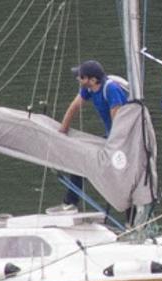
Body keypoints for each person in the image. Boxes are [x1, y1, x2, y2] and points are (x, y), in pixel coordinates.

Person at [54, 60, 128, 213]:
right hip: (110, 137)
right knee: (79, 159)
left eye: (81, 77)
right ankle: (70, 203)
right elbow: (74, 107)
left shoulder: (111, 90)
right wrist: (62, 131)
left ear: (93, 80)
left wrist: (113, 148)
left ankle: (132, 220)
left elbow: (119, 122)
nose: (78, 79)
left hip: (123, 140)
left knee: (121, 176)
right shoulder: (89, 89)